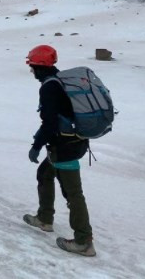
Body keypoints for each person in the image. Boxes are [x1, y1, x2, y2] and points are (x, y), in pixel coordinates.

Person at [23, 45, 95, 257]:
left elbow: (50, 122)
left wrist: (36, 146)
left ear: (39, 67)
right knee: (45, 173)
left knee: (72, 192)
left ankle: (84, 241)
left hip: (65, 146)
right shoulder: (62, 80)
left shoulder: (49, 87)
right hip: (75, 142)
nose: (32, 72)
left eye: (32, 67)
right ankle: (45, 218)